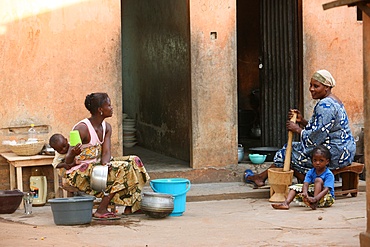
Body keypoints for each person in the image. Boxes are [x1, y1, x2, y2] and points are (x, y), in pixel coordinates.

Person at [246, 69, 356, 187]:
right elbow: (322, 128)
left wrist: (297, 129)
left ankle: (307, 181)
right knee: (292, 149)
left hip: (335, 154)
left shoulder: (325, 106)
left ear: (327, 87)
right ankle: (261, 177)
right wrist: (302, 121)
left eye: (316, 86)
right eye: (311, 85)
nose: (311, 89)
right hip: (345, 150)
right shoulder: (334, 101)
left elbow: (315, 138)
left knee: (288, 152)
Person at [62, 92, 150, 219]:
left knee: (134, 160)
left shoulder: (107, 127)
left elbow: (106, 152)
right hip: (80, 172)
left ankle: (131, 206)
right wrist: (72, 153)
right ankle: (101, 208)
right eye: (109, 105)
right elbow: (68, 161)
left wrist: (105, 165)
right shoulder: (81, 128)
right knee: (123, 168)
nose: (112, 107)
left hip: (98, 166)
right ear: (100, 110)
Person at [271, 145, 335, 210]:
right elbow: (306, 183)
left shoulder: (328, 174)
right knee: (294, 188)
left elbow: (326, 190)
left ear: (327, 161)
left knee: (318, 180)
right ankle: (286, 203)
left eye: (321, 160)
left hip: (325, 197)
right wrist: (305, 193)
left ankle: (315, 203)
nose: (317, 163)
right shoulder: (310, 172)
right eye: (315, 160)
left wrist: (315, 198)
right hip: (312, 195)